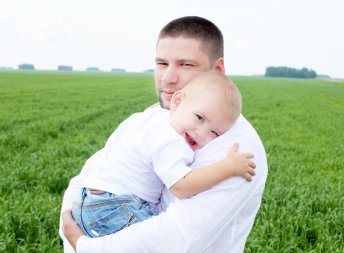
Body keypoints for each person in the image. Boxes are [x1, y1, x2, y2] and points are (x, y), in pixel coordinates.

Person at [61, 16, 268, 253]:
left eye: (185, 64)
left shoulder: (236, 148)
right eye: (161, 63)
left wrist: (83, 244)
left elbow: (174, 239)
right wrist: (72, 228)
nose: (168, 78)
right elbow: (88, 178)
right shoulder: (150, 118)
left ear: (218, 70)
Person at [71, 71, 255, 238]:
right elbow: (181, 186)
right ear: (177, 102)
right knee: (164, 240)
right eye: (199, 118)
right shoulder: (170, 140)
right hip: (114, 205)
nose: (202, 132)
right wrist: (228, 167)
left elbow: (156, 108)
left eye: (215, 133)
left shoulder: (156, 116)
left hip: (89, 200)